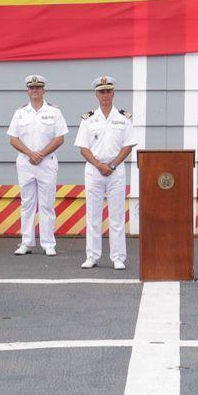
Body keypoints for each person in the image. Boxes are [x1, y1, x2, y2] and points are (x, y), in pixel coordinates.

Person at [74, 75, 136, 270]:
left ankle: (118, 257)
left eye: (108, 91)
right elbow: (83, 148)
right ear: (96, 95)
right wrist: (99, 165)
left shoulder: (123, 118)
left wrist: (113, 165)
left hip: (115, 171)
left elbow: (128, 146)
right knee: (93, 214)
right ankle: (92, 256)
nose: (105, 95)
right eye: (102, 91)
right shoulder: (88, 118)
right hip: (94, 170)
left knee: (117, 214)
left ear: (113, 93)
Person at [6, 75, 67, 256]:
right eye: (31, 88)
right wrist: (31, 154)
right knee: (27, 203)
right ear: (27, 91)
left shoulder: (54, 112)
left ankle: (48, 243)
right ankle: (26, 242)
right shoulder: (20, 113)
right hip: (26, 163)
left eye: (38, 88)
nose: (35, 91)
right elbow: (13, 139)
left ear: (43, 90)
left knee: (47, 204)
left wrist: (41, 154)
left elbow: (60, 138)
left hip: (46, 163)